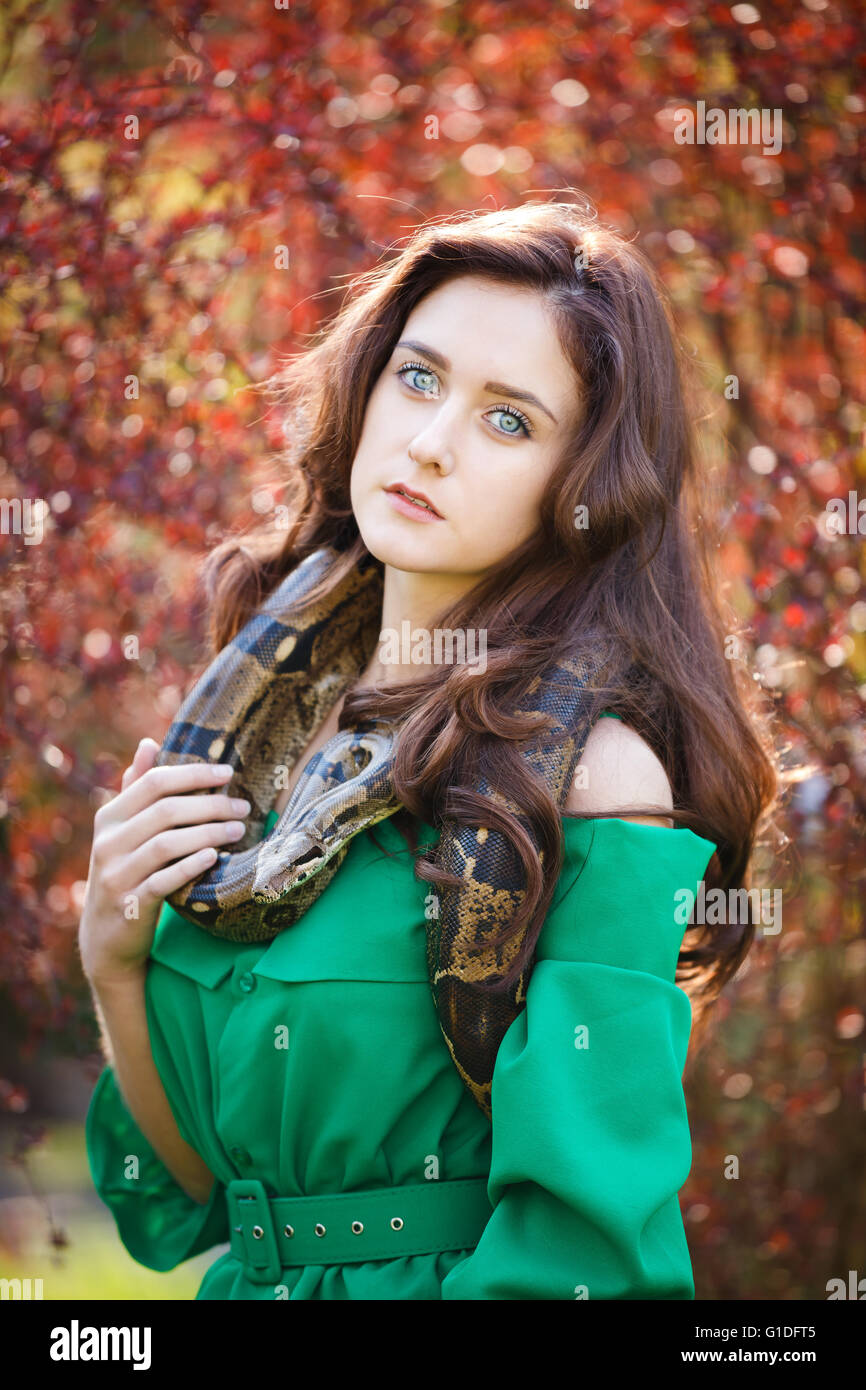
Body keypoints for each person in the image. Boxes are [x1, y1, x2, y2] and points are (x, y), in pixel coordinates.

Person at [78, 200, 781, 1299]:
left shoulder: (595, 777)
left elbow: (585, 1258)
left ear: (581, 489)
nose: (427, 444)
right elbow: (196, 1197)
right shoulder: (257, 742)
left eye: (508, 422)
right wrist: (113, 958)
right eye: (417, 378)